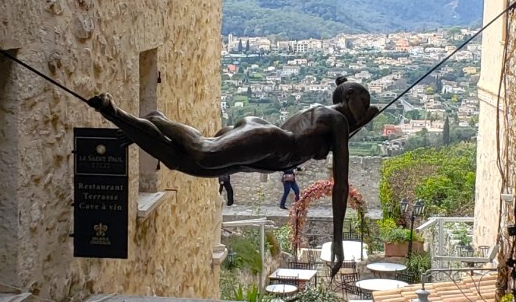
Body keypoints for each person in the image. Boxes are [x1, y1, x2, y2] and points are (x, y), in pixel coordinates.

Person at [86, 76, 379, 276]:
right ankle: (157, 120)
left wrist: (368, 114)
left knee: (184, 163)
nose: (364, 110)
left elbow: (360, 120)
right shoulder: (336, 119)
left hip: (265, 158)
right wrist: (337, 239)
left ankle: (121, 119)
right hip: (269, 142)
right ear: (350, 95)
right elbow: (341, 182)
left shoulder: (333, 120)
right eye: (363, 102)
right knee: (203, 151)